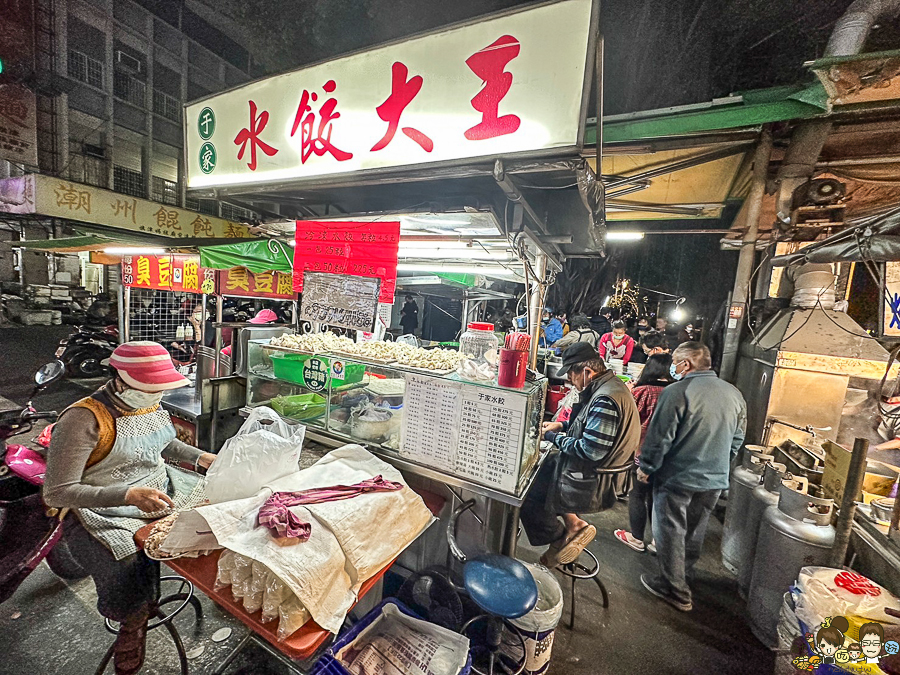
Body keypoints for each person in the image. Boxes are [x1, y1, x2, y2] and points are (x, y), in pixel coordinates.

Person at [43, 341, 216, 675]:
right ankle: (132, 622)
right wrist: (127, 496)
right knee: (126, 560)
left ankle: (150, 591)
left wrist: (200, 457)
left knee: (209, 516)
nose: (157, 394)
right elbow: (58, 492)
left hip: (159, 487)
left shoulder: (148, 404)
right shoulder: (83, 419)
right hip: (100, 507)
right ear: (119, 380)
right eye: (150, 388)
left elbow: (163, 441)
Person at [637, 342, 746, 612]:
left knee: (670, 531)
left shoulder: (678, 391)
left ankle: (674, 589)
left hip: (678, 477)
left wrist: (647, 467)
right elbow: (738, 439)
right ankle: (682, 574)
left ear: (686, 364)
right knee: (695, 530)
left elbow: (660, 436)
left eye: (675, 361)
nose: (672, 367)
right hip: (714, 480)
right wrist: (720, 463)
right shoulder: (733, 393)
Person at [521, 342, 640, 568]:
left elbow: (591, 450)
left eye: (571, 376)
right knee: (545, 468)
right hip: (604, 472)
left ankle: (559, 540)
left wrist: (553, 438)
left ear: (586, 372)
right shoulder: (610, 386)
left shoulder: (605, 398)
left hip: (595, 480)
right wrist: (562, 426)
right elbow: (593, 427)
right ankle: (574, 523)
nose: (570, 382)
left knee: (528, 492)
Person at [613, 353, 673, 552]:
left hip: (642, 452)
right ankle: (658, 541)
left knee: (637, 494)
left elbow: (629, 419)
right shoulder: (677, 391)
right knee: (658, 497)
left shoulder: (642, 391)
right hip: (668, 455)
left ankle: (637, 538)